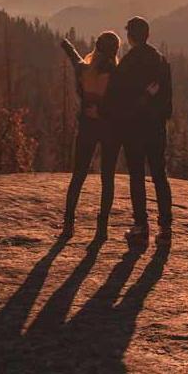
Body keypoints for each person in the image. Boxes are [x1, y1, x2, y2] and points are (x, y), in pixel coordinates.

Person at [109, 16, 174, 245]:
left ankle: (140, 226)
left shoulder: (128, 62)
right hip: (156, 127)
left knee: (137, 175)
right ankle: (165, 228)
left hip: (134, 128)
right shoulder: (160, 60)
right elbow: (167, 96)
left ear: (131, 36)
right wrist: (161, 116)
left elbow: (117, 95)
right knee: (159, 175)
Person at [59, 32, 122, 240]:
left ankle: (68, 223)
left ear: (97, 48)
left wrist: (67, 46)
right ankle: (102, 227)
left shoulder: (84, 70)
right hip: (111, 129)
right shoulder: (117, 75)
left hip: (88, 127)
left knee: (78, 175)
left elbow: (75, 58)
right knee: (108, 178)